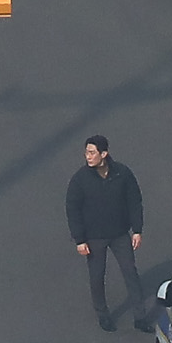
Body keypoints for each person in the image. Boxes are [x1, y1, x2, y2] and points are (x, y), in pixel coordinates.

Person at [66, 134, 152, 332]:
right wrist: (79, 239)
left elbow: (134, 201)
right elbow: (72, 209)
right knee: (97, 276)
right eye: (86, 152)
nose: (87, 156)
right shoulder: (80, 180)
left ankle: (140, 317)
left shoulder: (122, 173)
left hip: (120, 234)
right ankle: (103, 315)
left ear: (104, 154)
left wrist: (137, 230)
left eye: (92, 152)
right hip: (94, 238)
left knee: (130, 272)